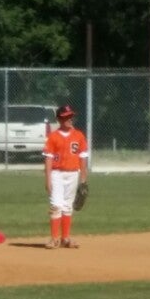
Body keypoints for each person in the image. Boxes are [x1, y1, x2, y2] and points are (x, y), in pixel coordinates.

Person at [43, 104, 89, 249]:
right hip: (57, 174)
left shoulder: (79, 135)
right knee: (56, 205)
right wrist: (48, 179)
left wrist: (83, 179)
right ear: (59, 119)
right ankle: (54, 238)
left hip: (73, 174)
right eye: (66, 117)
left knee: (68, 207)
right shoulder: (53, 137)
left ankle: (65, 238)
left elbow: (83, 158)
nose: (69, 119)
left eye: (71, 116)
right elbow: (48, 158)